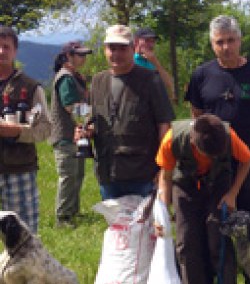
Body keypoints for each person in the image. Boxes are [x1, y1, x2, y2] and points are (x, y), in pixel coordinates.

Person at [155, 113, 250, 284]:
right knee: (185, 241)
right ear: (192, 141)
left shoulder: (228, 136)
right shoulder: (172, 139)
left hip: (218, 185)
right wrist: (163, 209)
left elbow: (247, 159)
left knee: (219, 240)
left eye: (214, 155)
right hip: (185, 186)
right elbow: (165, 176)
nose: (209, 159)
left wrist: (232, 193)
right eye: (206, 154)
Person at [185, 15, 250, 224]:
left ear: (239, 40)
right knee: (216, 221)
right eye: (220, 42)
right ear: (212, 44)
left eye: (231, 40)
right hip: (214, 162)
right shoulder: (201, 75)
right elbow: (196, 115)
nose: (226, 47)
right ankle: (220, 258)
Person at [80, 24, 175, 200]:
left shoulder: (150, 79)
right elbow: (93, 120)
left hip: (144, 174)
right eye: (111, 48)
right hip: (108, 173)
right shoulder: (97, 81)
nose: (116, 54)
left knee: (145, 227)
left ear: (133, 48)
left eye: (122, 48)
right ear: (104, 50)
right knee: (115, 227)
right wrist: (86, 131)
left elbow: (165, 125)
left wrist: (163, 171)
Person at [0, 26, 51, 234]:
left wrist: (16, 132)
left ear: (15, 51)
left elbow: (46, 129)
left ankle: (26, 269)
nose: (1, 51)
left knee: (24, 236)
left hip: (18, 170)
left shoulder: (31, 87)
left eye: (6, 46)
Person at [49, 41, 92, 227]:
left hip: (76, 135)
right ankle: (63, 217)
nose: (83, 58)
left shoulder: (74, 76)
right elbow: (71, 107)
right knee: (68, 176)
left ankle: (73, 211)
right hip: (65, 135)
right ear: (69, 56)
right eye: (79, 54)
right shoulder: (65, 77)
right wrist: (91, 113)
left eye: (84, 54)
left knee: (77, 174)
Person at [133, 27, 175, 102]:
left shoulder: (152, 62)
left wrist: (156, 63)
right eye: (147, 41)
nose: (151, 45)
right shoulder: (130, 61)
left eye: (153, 41)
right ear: (136, 41)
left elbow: (170, 85)